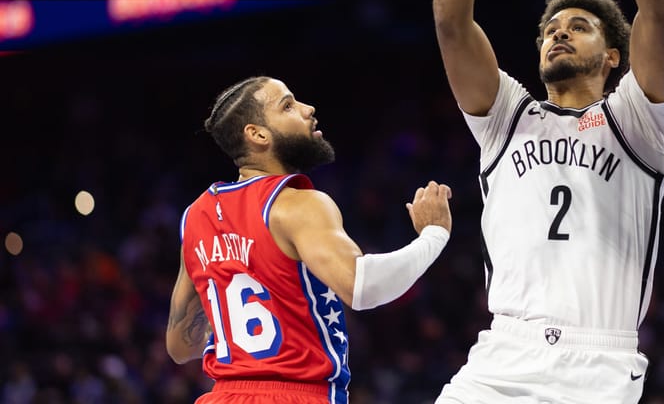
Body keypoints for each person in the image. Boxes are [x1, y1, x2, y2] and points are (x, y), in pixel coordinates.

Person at [431, 0, 664, 403]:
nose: (558, 34)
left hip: (595, 361)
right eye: (549, 30)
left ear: (614, 56)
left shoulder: (637, 121)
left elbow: (658, 5)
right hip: (501, 352)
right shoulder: (507, 118)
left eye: (578, 26)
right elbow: (450, 22)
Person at [166, 75, 453, 403]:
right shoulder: (297, 203)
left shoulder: (195, 217)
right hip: (298, 395)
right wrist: (434, 234)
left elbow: (180, 346)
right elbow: (364, 286)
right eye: (287, 105)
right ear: (257, 134)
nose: (308, 109)